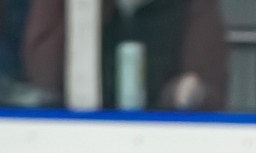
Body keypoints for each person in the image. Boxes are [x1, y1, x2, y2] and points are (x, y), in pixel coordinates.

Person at [23, 0, 228, 110]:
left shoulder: (193, 5)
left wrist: (187, 93)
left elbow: (209, 88)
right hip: (70, 131)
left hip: (163, 139)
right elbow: (42, 73)